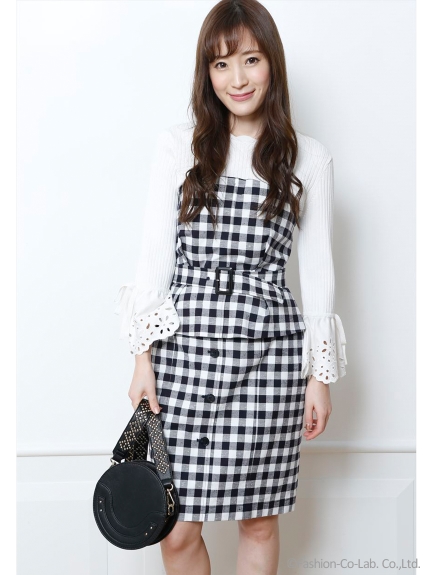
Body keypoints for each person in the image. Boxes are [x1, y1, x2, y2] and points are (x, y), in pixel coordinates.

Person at [114, 0, 347, 573]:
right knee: (175, 526)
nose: (237, 79)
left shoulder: (308, 158)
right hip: (185, 353)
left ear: (273, 65)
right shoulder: (180, 145)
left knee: (259, 520)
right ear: (206, 73)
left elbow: (318, 274)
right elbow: (153, 262)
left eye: (250, 60)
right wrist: (142, 361)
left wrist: (319, 378)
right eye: (221, 64)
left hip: (270, 356)